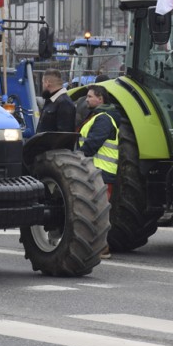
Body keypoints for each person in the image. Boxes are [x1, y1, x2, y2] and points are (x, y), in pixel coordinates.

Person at [78, 84, 120, 259]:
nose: (86, 99)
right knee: (96, 211)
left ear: (100, 99)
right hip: (97, 170)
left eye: (90, 97)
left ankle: (103, 248)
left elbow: (93, 143)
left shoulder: (103, 118)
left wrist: (76, 156)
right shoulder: (99, 117)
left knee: (98, 211)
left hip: (100, 171)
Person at [36, 68, 76, 133]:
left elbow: (64, 135)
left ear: (47, 83)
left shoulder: (64, 103)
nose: (42, 86)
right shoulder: (52, 101)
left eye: (43, 83)